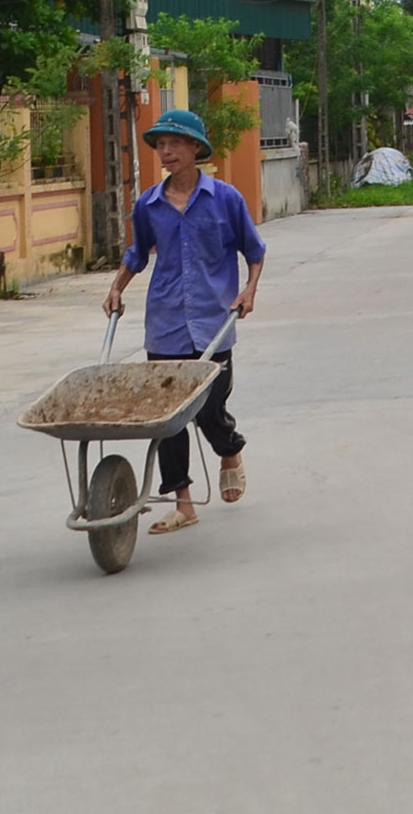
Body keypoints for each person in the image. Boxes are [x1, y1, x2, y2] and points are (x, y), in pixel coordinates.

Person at [102, 107, 265, 535]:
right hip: (166, 322)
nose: (166, 151)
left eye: (175, 143)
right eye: (160, 144)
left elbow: (254, 250)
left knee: (210, 409)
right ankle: (183, 503)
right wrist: (117, 288)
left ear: (196, 147)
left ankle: (229, 449)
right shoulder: (148, 205)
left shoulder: (225, 198)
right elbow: (137, 254)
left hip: (214, 321)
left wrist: (249, 290)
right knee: (167, 417)